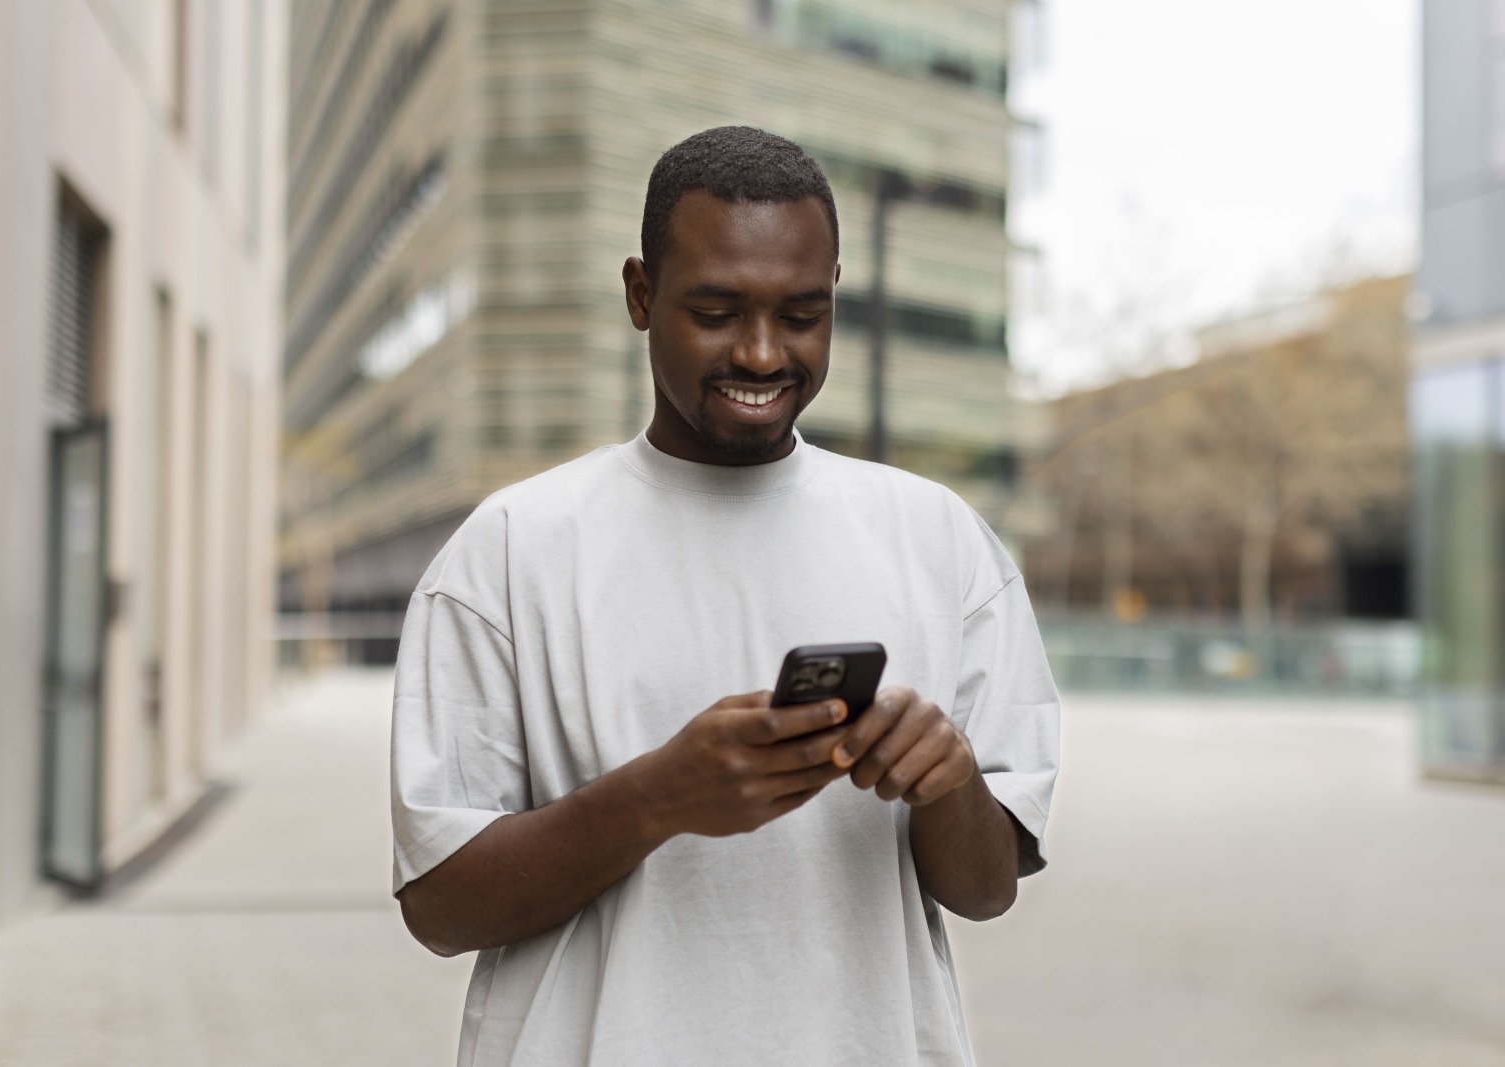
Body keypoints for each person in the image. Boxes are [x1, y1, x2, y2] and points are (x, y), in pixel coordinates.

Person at [391, 126, 1060, 1066]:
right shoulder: (510, 551)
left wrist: (946, 778)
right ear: (639, 295)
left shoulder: (939, 539)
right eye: (715, 309)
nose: (759, 353)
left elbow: (988, 890)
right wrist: (658, 797)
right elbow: (440, 904)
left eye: (800, 314)